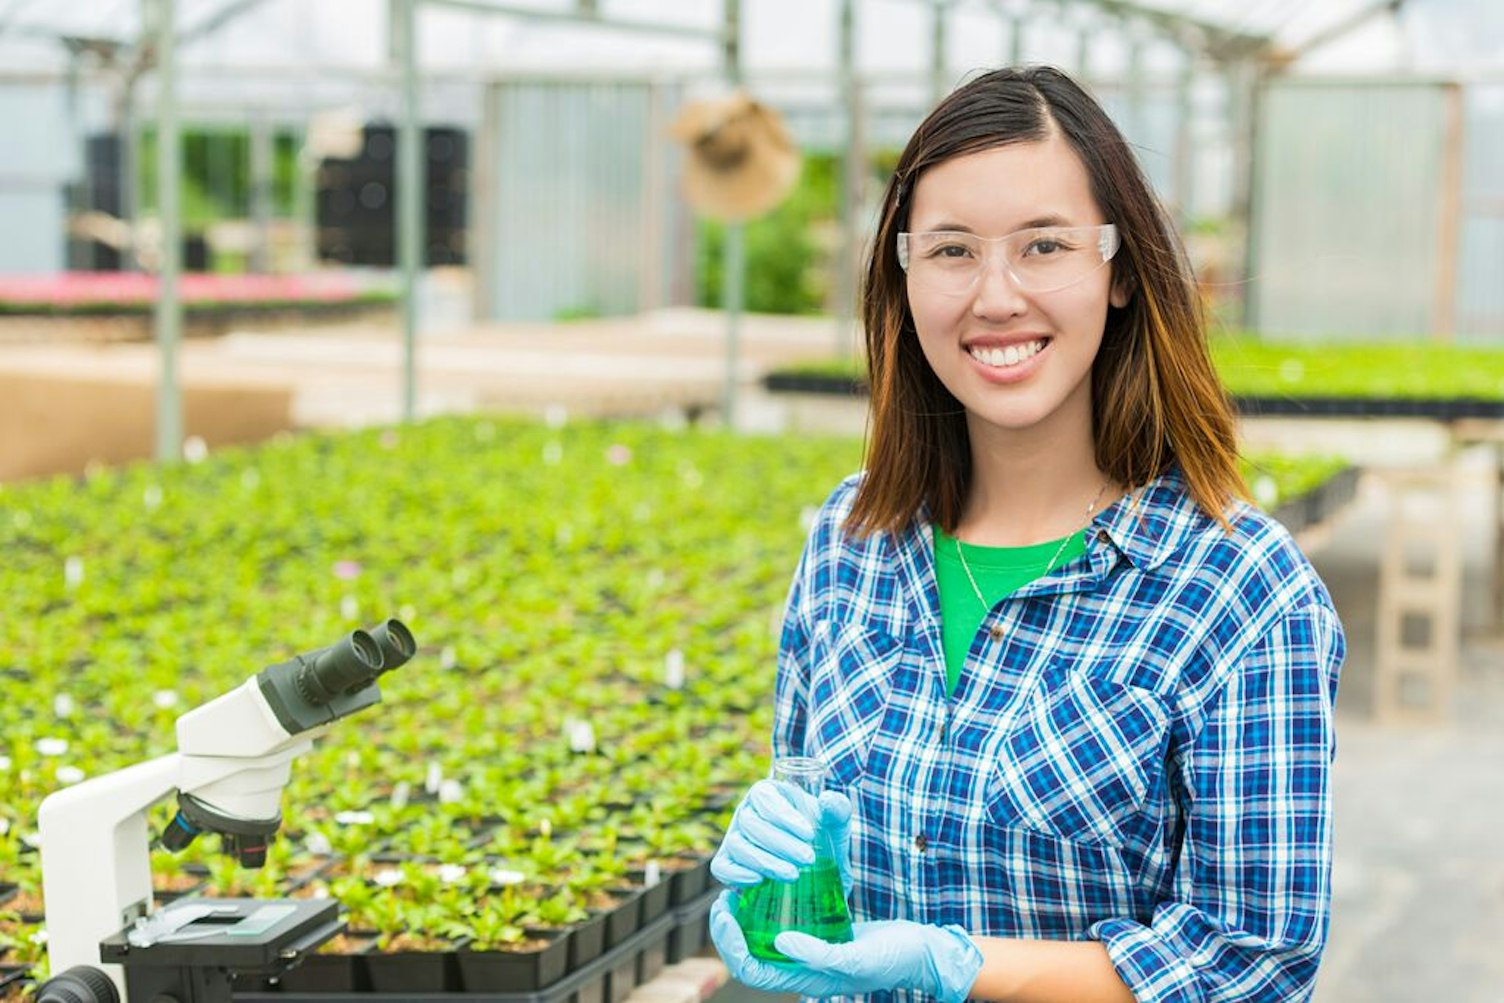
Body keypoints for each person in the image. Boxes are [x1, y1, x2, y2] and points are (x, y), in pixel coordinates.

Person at [706, 65, 1346, 1003]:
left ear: (1119, 270)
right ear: (904, 274)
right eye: (952, 250)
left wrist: (958, 966)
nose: (996, 296)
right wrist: (772, 886)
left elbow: (1252, 962)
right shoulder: (850, 542)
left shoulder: (1240, 592)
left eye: (1043, 245)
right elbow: (812, 817)